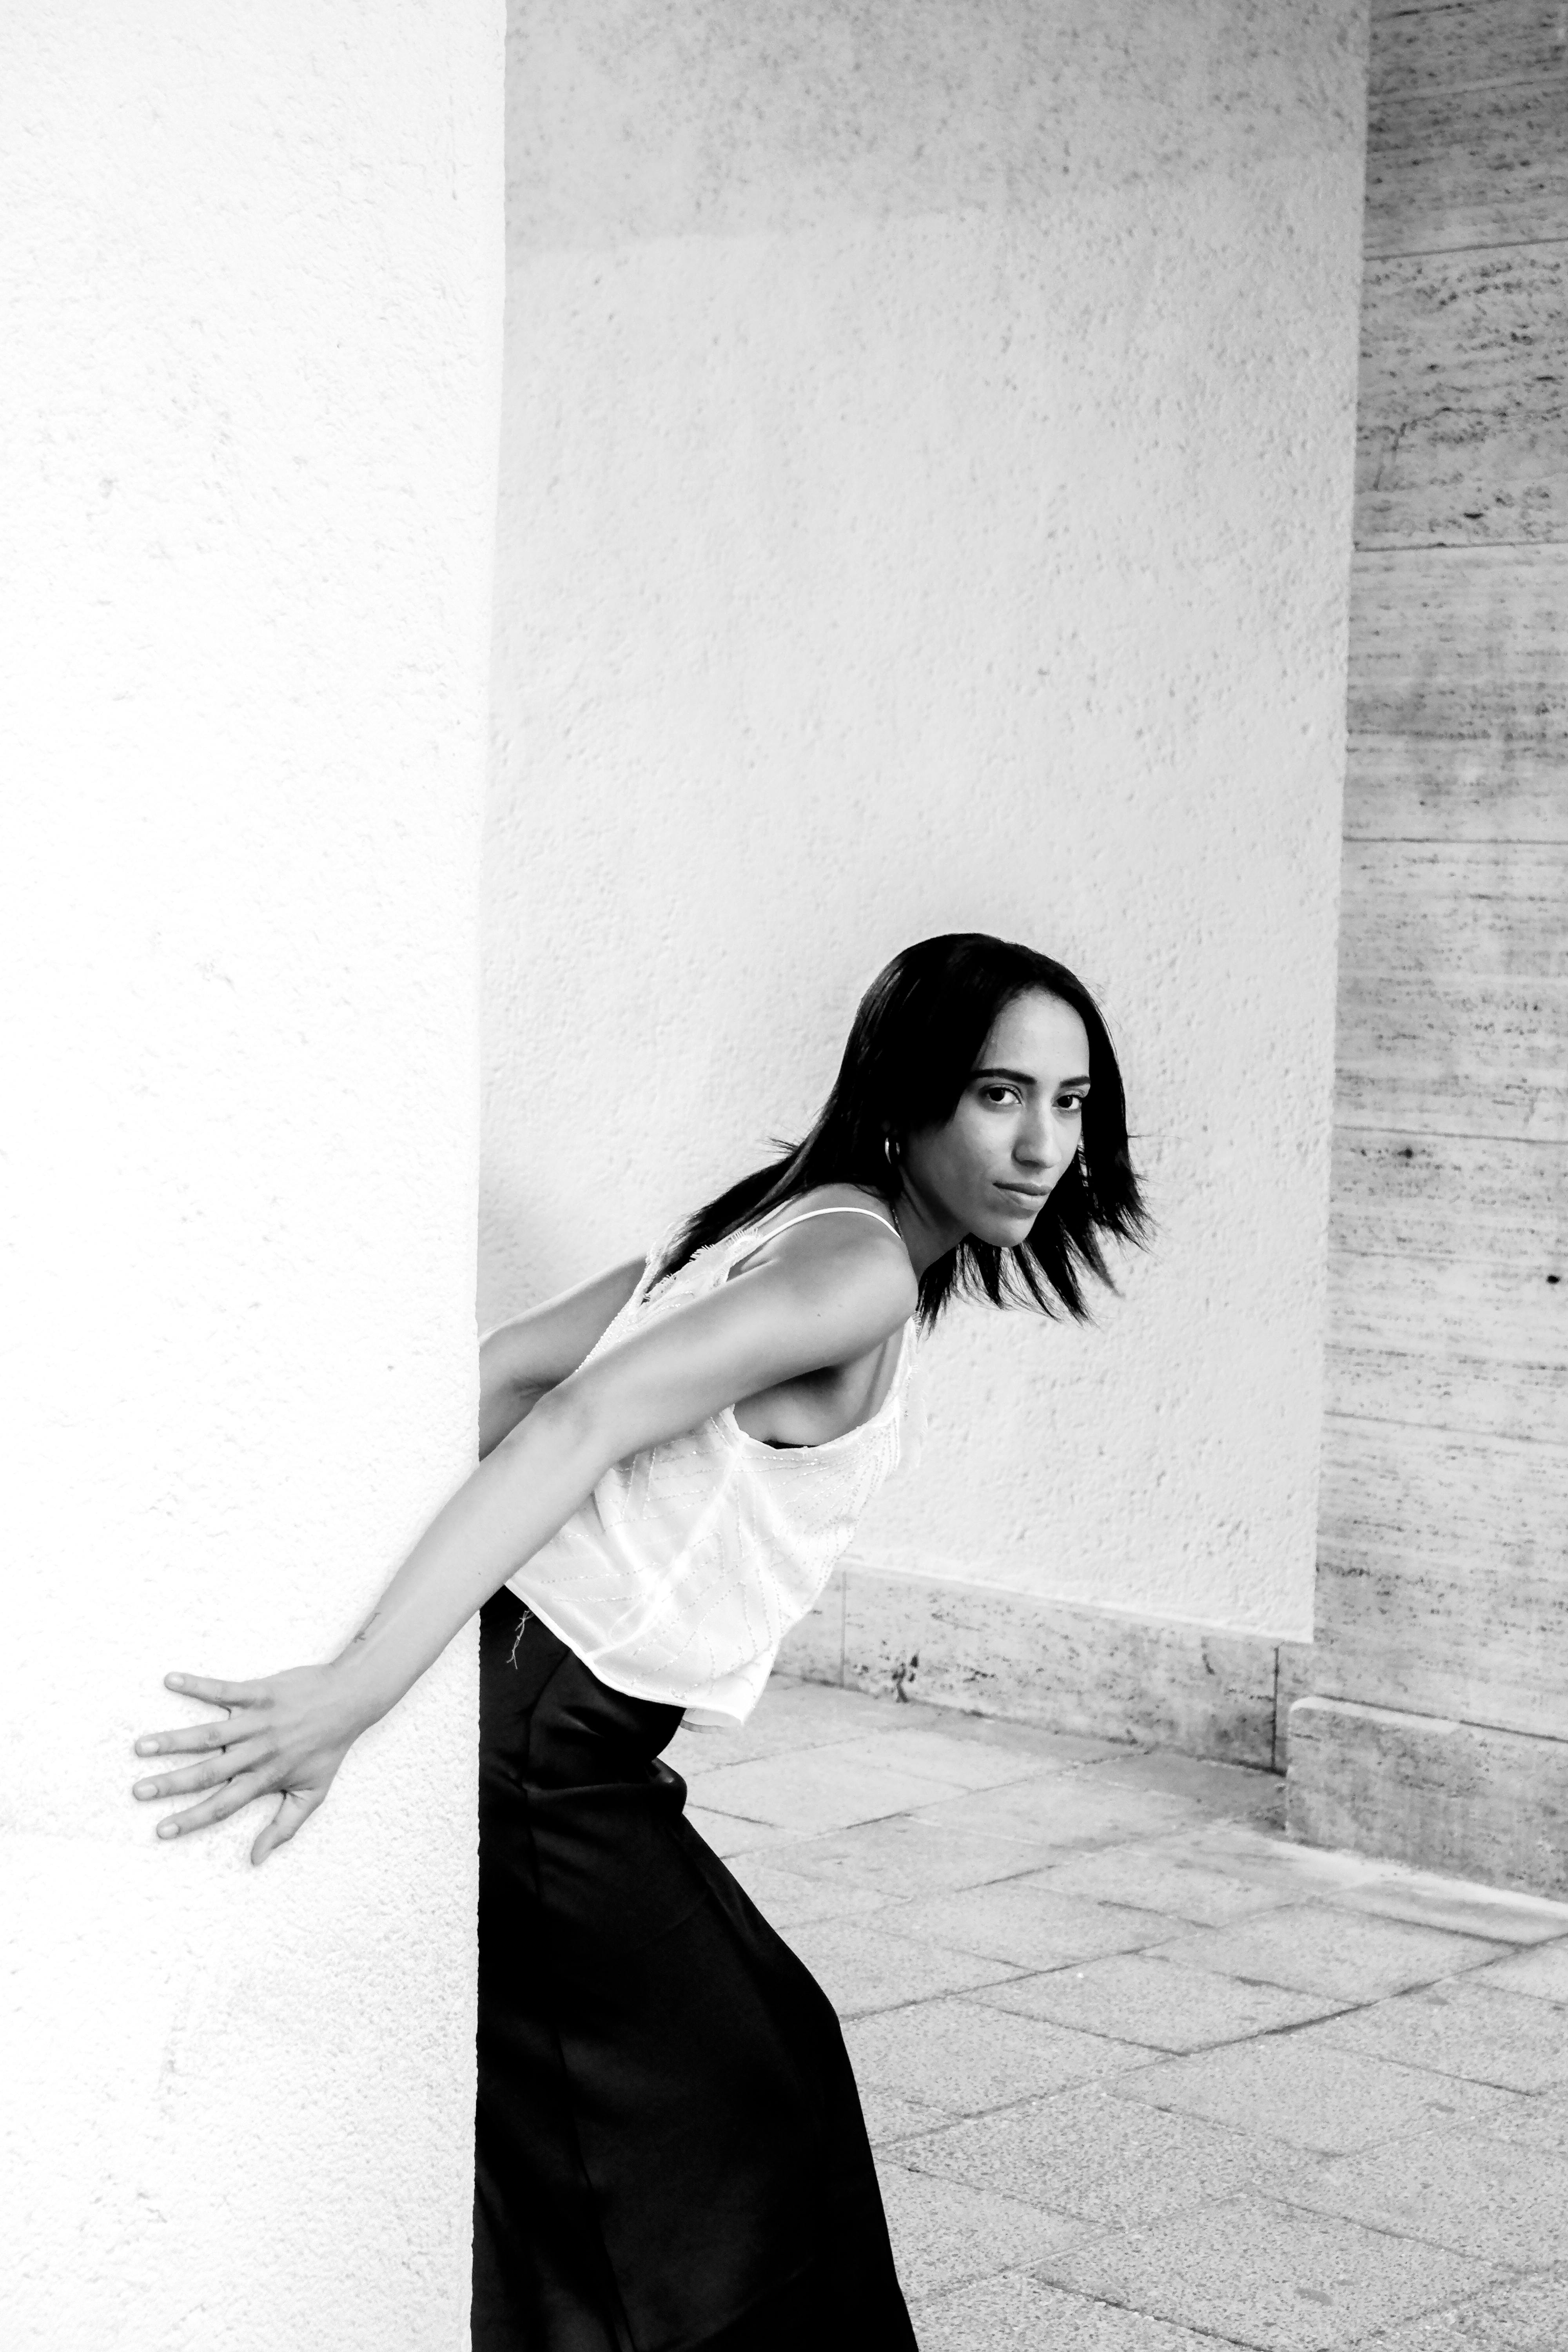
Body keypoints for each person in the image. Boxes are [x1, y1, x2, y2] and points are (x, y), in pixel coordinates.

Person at [131, 931, 1148, 2350]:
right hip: (548, 1746)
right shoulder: (853, 1269)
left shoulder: (789, 1216)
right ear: (911, 1094)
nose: (1043, 1144)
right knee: (754, 2120)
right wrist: (354, 1688)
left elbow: (512, 1366)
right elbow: (577, 1416)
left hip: (536, 1721)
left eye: (1072, 1100)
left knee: (625, 2137)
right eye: (999, 1095)